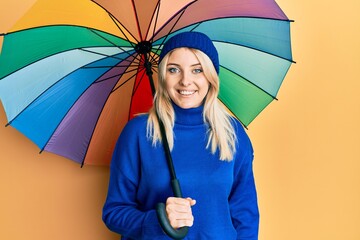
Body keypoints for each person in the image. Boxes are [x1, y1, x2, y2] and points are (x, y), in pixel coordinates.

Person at [102, 31, 259, 239]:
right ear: (163, 76)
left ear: (211, 77)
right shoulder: (138, 133)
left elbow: (245, 214)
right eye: (174, 69)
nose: (186, 81)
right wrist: (158, 220)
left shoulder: (233, 133)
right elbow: (114, 212)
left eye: (197, 70)